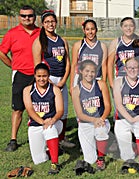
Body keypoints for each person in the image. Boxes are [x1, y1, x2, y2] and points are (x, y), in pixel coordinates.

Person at [0, 5, 41, 152]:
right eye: (23, 16)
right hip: (21, 75)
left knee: (41, 107)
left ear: (35, 16)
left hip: (39, 75)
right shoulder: (12, 33)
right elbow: (2, 52)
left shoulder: (41, 33)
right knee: (18, 108)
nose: (27, 18)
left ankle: (43, 137)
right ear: (19, 17)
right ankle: (13, 140)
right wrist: (13, 66)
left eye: (29, 15)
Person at [32, 10, 74, 148]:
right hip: (48, 81)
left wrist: (63, 81)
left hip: (61, 80)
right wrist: (49, 82)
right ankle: (46, 138)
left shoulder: (62, 40)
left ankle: (61, 139)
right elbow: (38, 67)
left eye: (52, 21)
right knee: (49, 110)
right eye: (47, 22)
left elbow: (68, 62)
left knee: (64, 111)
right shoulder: (39, 42)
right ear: (42, 24)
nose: (50, 24)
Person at [23, 63, 63, 174]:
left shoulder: (55, 89)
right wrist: (42, 122)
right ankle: (53, 149)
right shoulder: (28, 90)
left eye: (44, 76)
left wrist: (52, 120)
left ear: (48, 76)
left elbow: (60, 111)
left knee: (49, 129)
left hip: (54, 123)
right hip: (36, 124)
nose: (42, 79)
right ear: (35, 76)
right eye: (39, 76)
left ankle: (55, 163)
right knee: (39, 161)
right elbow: (30, 110)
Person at [72, 60, 111, 170]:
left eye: (92, 71)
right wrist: (94, 120)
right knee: (89, 159)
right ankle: (104, 148)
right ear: (81, 71)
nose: (90, 74)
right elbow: (79, 114)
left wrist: (101, 119)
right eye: (87, 71)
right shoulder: (76, 90)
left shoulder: (101, 84)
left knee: (101, 130)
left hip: (101, 120)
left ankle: (101, 158)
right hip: (85, 124)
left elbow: (108, 106)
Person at [113, 58, 139, 168]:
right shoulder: (118, 82)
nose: (132, 70)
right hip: (122, 118)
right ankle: (134, 150)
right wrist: (130, 119)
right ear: (125, 69)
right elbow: (119, 105)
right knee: (127, 157)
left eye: (135, 67)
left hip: (138, 116)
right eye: (130, 67)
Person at [108, 17, 139, 89]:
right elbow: (110, 64)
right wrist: (111, 83)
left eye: (131, 26)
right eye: (125, 26)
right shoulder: (115, 42)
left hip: (136, 77)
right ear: (121, 28)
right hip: (121, 77)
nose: (128, 28)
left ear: (134, 27)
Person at [70, 19, 107, 92]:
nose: (90, 32)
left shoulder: (103, 46)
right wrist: (71, 85)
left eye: (92, 29)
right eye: (87, 29)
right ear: (84, 30)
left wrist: (104, 83)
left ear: (96, 30)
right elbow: (74, 65)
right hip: (81, 79)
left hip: (96, 79)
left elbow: (104, 66)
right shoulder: (78, 45)